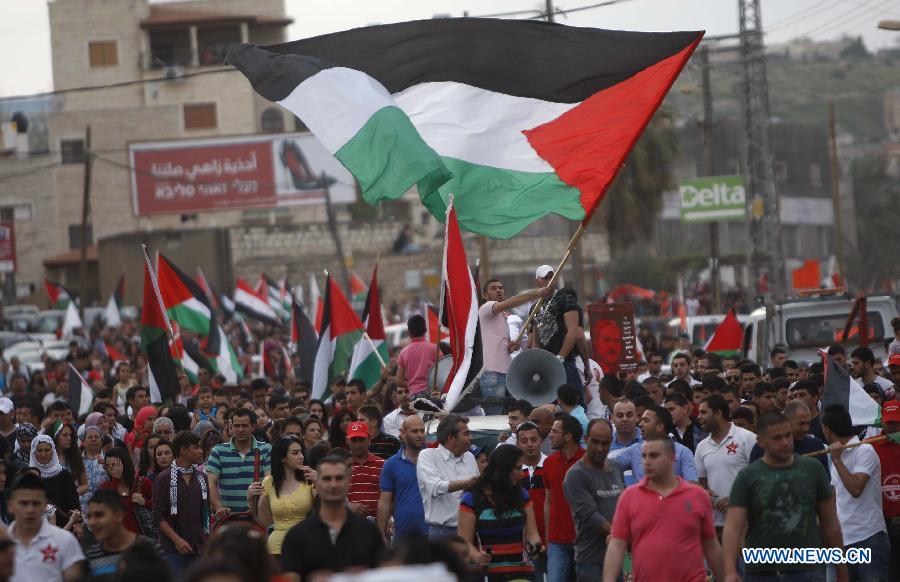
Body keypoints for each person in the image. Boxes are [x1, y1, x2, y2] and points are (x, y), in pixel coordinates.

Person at [723, 411, 847, 582]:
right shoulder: (748, 476)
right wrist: (730, 570)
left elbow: (830, 522)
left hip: (807, 570)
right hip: (762, 571)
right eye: (776, 438)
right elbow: (733, 527)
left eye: (788, 435)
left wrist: (841, 568)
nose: (785, 443)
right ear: (760, 441)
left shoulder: (813, 469)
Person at [604, 438, 724, 582]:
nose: (647, 461)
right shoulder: (629, 497)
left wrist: (726, 577)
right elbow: (617, 545)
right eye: (644, 456)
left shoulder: (697, 496)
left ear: (671, 459)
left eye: (654, 455)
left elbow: (711, 546)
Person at [280, 454, 384, 580]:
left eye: (339, 478)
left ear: (349, 482)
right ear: (317, 483)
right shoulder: (297, 535)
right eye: (327, 479)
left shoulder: (369, 532)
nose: (333, 485)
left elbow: (382, 575)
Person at [822, 404, 890, 581]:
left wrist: (836, 460)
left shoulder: (865, 450)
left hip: (869, 538)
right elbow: (836, 500)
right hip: (842, 541)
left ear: (827, 429)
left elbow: (856, 489)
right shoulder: (838, 455)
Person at [458, 445, 543, 580]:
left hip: (520, 572)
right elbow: (463, 541)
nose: (522, 473)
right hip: (485, 574)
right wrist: (478, 556)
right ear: (502, 470)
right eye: (518, 468)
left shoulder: (522, 495)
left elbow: (532, 533)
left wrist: (536, 546)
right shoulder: (472, 498)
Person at [563, 419, 624, 581]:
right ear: (585, 439)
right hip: (590, 561)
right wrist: (622, 535)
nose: (600, 448)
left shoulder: (616, 468)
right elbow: (591, 517)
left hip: (616, 556)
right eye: (595, 442)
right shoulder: (576, 475)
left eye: (605, 443)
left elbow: (625, 508)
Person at [478, 278, 551, 414]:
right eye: (493, 288)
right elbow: (511, 301)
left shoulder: (503, 316)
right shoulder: (486, 308)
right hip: (492, 374)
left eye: (500, 287)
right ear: (485, 295)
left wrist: (512, 346)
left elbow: (507, 345)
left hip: (507, 374)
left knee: (511, 418)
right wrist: (537, 293)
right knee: (495, 419)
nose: (498, 290)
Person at [694, 393, 758, 532]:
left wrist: (737, 499)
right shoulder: (702, 446)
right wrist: (704, 493)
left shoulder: (748, 438)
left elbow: (761, 478)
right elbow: (700, 482)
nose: (699, 417)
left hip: (747, 523)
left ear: (717, 413)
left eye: (704, 412)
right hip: (715, 523)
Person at [8, 471, 84, 582]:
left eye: (36, 503)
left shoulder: (65, 541)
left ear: (45, 505)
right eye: (24, 503)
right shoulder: (4, 542)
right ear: (11, 505)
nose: (30, 510)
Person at [247, 434, 316, 556]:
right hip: (276, 548)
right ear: (282, 458)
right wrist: (251, 500)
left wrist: (320, 482)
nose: (301, 456)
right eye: (295, 453)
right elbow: (265, 522)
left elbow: (324, 510)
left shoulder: (310, 478)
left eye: (301, 452)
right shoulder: (269, 482)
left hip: (306, 544)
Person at [153, 430, 210, 573]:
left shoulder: (202, 477)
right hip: (173, 550)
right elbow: (159, 516)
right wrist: (176, 540)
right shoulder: (163, 479)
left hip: (199, 547)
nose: (201, 451)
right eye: (196, 447)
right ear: (183, 450)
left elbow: (205, 512)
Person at [416, 414, 479, 539]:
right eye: (466, 434)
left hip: (470, 530)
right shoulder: (428, 456)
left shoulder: (470, 457)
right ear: (451, 438)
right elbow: (435, 488)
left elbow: (477, 493)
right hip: (442, 533)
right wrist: (469, 483)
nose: (470, 438)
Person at [207, 408, 272, 521]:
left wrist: (257, 507)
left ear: (253, 426)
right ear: (231, 427)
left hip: (258, 517)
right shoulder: (218, 451)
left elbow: (268, 482)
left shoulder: (265, 449)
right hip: (229, 518)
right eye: (236, 426)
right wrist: (219, 508)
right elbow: (210, 484)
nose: (240, 429)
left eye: (245, 426)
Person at [84, 489, 162, 580]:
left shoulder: (150, 549)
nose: (92, 522)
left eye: (99, 515)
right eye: (89, 517)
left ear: (119, 515)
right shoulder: (92, 557)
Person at [543, 413, 584, 582]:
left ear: (568, 436)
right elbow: (548, 501)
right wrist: (548, 536)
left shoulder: (588, 461)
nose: (550, 435)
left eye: (555, 431)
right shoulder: (549, 463)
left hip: (585, 541)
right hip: (557, 541)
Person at [609, 405, 698, 482]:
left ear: (659, 427)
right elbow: (608, 466)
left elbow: (692, 485)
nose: (640, 424)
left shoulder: (683, 452)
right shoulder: (635, 450)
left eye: (646, 421)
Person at [530, 285, 588, 402]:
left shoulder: (534, 307)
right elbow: (579, 336)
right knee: (575, 403)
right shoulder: (570, 305)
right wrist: (587, 365)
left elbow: (534, 342)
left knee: (552, 402)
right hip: (566, 363)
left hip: (546, 365)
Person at [377, 415, 428, 542]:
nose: (420, 435)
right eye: (415, 431)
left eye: (422, 430)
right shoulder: (391, 464)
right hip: (404, 535)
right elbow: (385, 501)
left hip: (434, 533)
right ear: (404, 434)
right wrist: (380, 533)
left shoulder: (434, 460)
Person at [749, 400, 827, 469]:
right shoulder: (763, 447)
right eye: (801, 424)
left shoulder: (816, 445)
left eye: (808, 423)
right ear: (786, 420)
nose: (806, 428)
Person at [515, 420, 548, 581]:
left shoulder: (551, 466)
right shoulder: (513, 474)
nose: (530, 444)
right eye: (524, 440)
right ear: (517, 444)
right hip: (522, 544)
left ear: (541, 441)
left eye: (534, 440)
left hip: (552, 542)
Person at [872, 400, 900, 579]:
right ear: (881, 421)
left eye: (896, 422)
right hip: (883, 522)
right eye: (888, 422)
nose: (892, 427)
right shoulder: (871, 446)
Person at [99, 446, 154, 535]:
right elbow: (108, 508)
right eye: (108, 465)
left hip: (141, 539)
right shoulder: (105, 486)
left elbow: (160, 506)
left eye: (115, 465)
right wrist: (116, 479)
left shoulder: (142, 482)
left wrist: (145, 502)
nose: (111, 469)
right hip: (116, 539)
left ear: (125, 463)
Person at [29, 435, 80, 525]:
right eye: (39, 450)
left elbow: (74, 504)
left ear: (53, 452)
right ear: (33, 452)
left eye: (47, 450)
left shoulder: (64, 475)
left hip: (64, 525)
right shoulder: (29, 475)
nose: (43, 454)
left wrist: (77, 524)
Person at [345, 421, 385, 519]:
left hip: (377, 524)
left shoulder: (383, 464)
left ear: (369, 439)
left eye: (361, 440)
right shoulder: (340, 465)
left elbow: (389, 496)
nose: (358, 444)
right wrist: (347, 506)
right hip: (348, 523)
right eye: (354, 440)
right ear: (348, 440)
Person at [397, 315, 437, 398]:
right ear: (425, 330)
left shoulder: (403, 353)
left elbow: (399, 381)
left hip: (414, 396)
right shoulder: (434, 348)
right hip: (433, 394)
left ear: (409, 332)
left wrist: (412, 386)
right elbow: (443, 370)